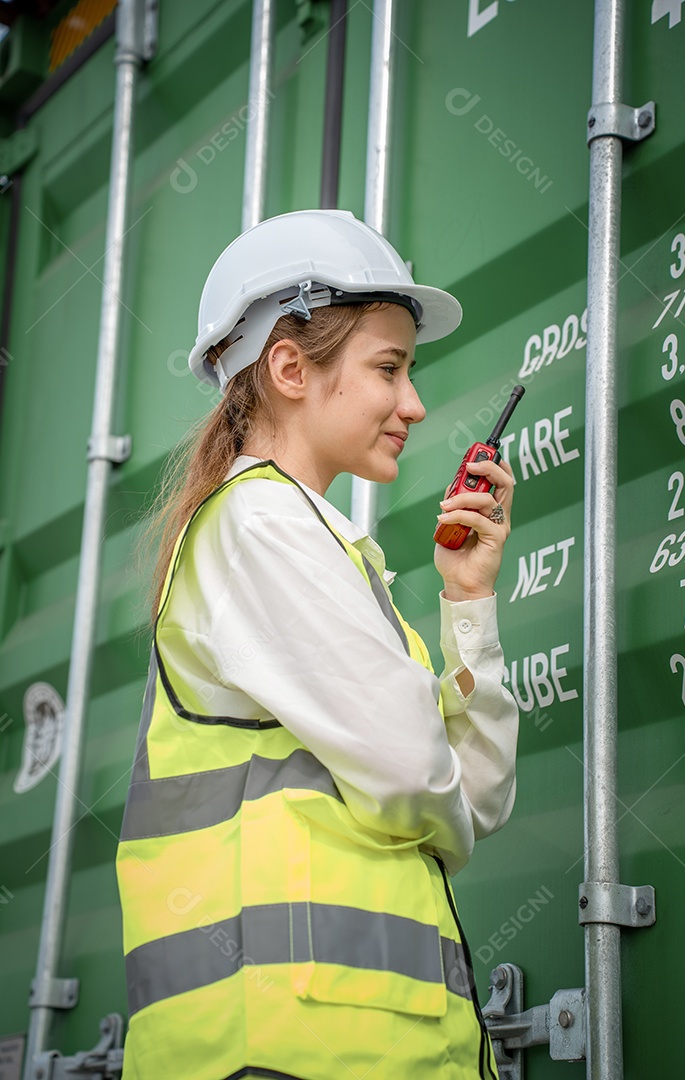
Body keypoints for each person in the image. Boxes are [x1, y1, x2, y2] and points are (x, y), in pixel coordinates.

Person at [116, 208, 519, 1080]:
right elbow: (422, 776)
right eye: (390, 368)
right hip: (287, 1054)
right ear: (291, 369)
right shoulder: (258, 524)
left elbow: (471, 802)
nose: (413, 403)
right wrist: (433, 798)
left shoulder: (321, 549)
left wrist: (469, 599)